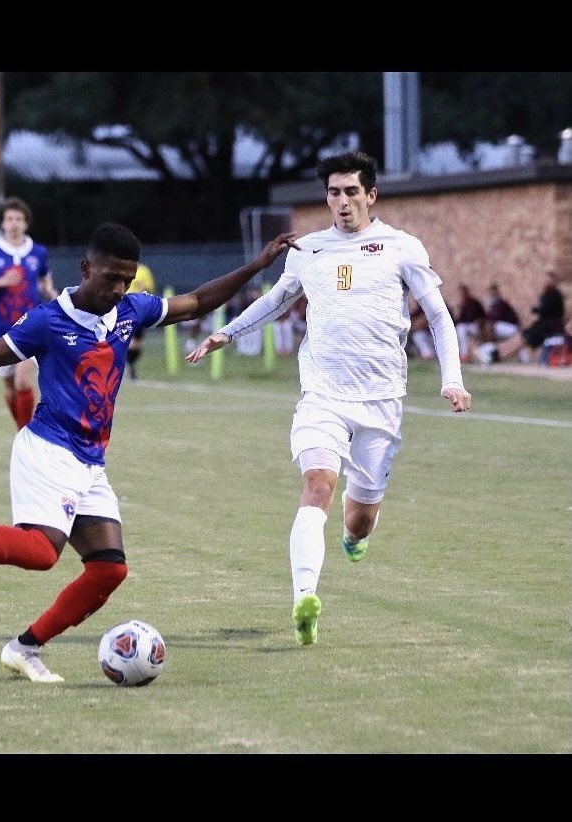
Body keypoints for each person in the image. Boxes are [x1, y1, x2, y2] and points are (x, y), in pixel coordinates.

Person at [0, 222, 300, 682]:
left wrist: (257, 265)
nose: (118, 288)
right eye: (110, 277)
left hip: (90, 462)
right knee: (40, 552)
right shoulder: (48, 321)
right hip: (48, 449)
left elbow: (196, 302)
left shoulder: (131, 311)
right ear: (86, 268)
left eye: (126, 280)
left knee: (108, 570)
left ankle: (24, 648)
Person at [186, 151, 471, 647]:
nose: (341, 202)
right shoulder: (308, 249)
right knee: (317, 485)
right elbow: (275, 301)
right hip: (323, 395)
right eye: (334, 192)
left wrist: (453, 378)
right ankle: (304, 597)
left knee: (359, 520)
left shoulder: (402, 248)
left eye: (351, 192)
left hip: (382, 401)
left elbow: (439, 316)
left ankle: (353, 536)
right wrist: (224, 334)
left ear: (371, 195)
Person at [0, 196, 57, 430]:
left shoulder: (38, 252)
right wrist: (1, 281)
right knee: (10, 388)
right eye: (9, 219)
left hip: (32, 327)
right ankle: (23, 432)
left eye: (19, 219)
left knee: (23, 380)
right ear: (2, 223)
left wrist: (50, 291)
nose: (14, 223)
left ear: (26, 223)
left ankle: (26, 437)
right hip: (0, 330)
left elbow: (45, 280)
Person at [489, 271, 567, 364]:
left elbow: (544, 310)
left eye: (548, 280)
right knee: (519, 340)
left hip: (547, 328)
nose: (546, 282)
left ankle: (496, 355)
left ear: (554, 281)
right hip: (544, 326)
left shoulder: (554, 294)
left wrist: (534, 310)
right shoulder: (549, 294)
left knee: (520, 340)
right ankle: (497, 355)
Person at [473, 283, 520, 364]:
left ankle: (490, 347)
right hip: (502, 327)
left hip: (512, 328)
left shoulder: (501, 304)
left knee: (491, 326)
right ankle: (488, 347)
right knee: (486, 325)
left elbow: (495, 318)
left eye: (492, 292)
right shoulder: (493, 305)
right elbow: (488, 318)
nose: (491, 295)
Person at [124, 261, 156, 379]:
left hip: (139, 310)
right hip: (122, 309)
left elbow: (149, 289)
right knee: (124, 339)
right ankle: (125, 366)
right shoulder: (118, 268)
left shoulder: (143, 271)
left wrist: (144, 289)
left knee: (137, 343)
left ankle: (128, 364)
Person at [453, 283, 486, 363]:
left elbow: (483, 316)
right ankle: (464, 355)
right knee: (460, 329)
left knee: (461, 329)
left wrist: (481, 322)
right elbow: (460, 319)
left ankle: (465, 355)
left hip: (474, 326)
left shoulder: (474, 302)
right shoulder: (462, 304)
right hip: (466, 326)